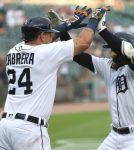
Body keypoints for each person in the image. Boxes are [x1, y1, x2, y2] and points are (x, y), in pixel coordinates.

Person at [0, 6, 108, 150]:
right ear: (41, 36)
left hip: (5, 126)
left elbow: (50, 37)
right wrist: (94, 20)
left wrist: (71, 22)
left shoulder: (13, 51)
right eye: (48, 33)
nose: (51, 36)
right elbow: (83, 43)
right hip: (28, 129)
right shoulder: (45, 52)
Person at [54, 8, 134, 150]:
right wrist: (63, 31)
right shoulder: (108, 66)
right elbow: (78, 56)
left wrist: (102, 30)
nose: (110, 53)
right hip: (114, 135)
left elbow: (126, 51)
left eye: (112, 50)